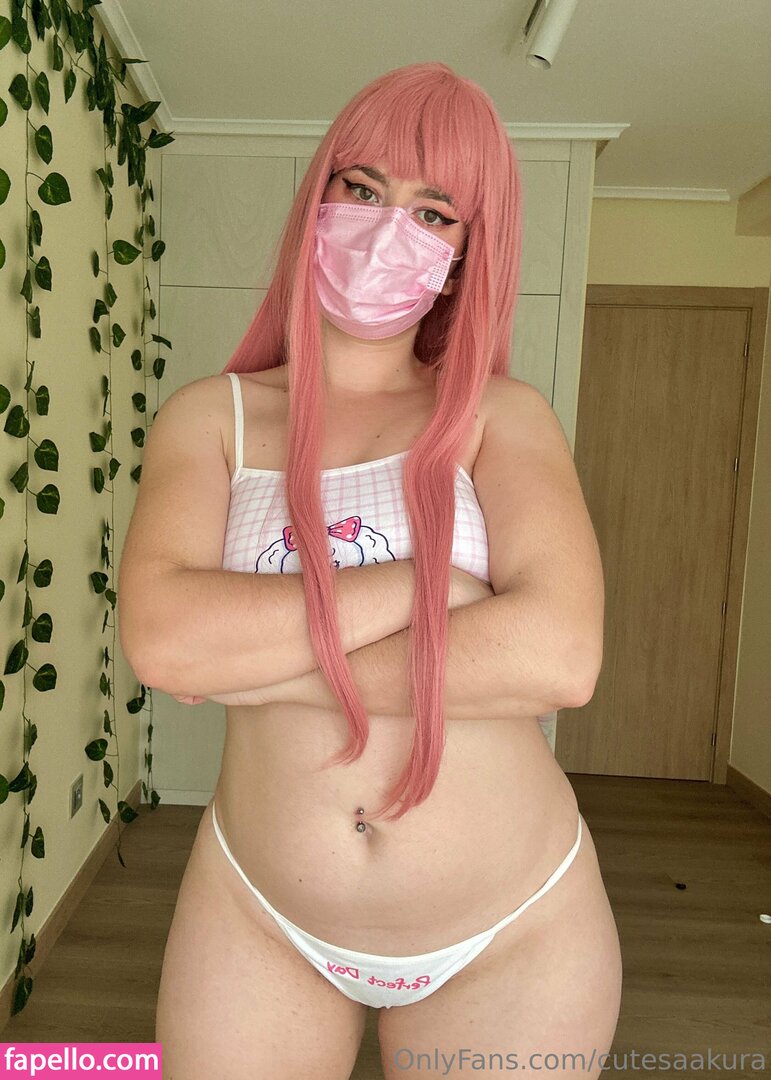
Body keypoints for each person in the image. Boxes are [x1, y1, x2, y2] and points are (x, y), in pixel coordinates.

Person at [118, 61, 622, 1079]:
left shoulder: (500, 417)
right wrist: (430, 594)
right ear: (318, 200)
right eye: (363, 188)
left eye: (434, 213)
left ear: (465, 257)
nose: (389, 229)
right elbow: (163, 642)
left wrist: (251, 666)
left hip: (513, 929)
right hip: (258, 911)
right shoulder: (210, 418)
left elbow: (559, 660)